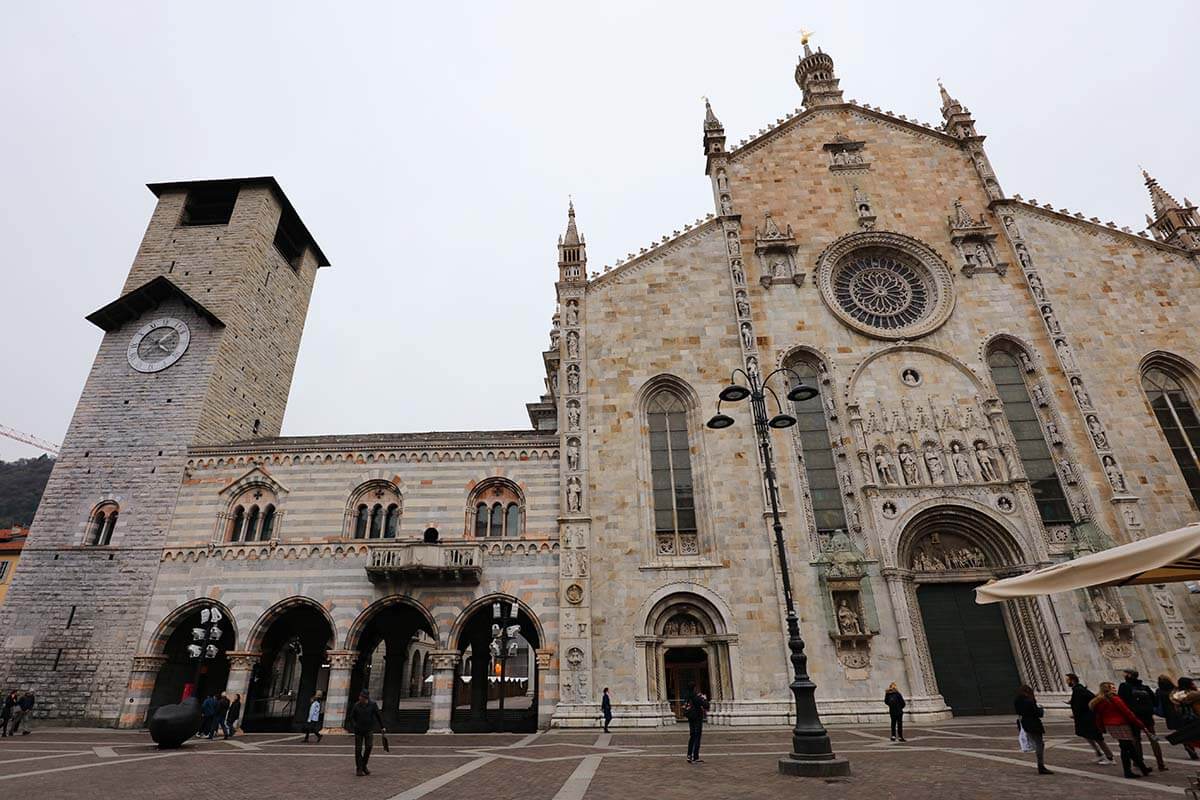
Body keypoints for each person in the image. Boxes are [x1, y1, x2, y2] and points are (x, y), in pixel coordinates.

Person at [1092, 681, 1152, 779]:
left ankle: (1143, 768)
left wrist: (1101, 727)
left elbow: (1099, 716)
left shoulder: (1100, 701)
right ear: (1108, 689)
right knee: (1126, 748)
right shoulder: (1115, 699)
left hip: (1111, 726)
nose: (1115, 689)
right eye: (1112, 687)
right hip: (1120, 725)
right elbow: (1127, 712)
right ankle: (1127, 771)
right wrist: (1140, 724)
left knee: (1129, 747)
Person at [1119, 669, 1166, 771]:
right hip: (1147, 717)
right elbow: (1155, 702)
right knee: (1153, 739)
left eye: (1125, 674)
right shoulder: (1145, 687)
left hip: (1134, 717)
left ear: (1129, 675)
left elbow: (1121, 702)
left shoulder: (1124, 686)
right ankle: (1160, 763)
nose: (1123, 675)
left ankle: (1138, 762)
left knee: (1136, 740)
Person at [1065, 674, 1114, 765]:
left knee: (1097, 738)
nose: (1066, 682)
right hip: (1084, 718)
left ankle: (1110, 757)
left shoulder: (1078, 690)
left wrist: (1076, 713)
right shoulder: (1078, 689)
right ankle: (1099, 754)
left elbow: (1086, 701)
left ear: (1072, 680)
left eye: (1068, 680)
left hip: (1087, 718)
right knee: (1087, 735)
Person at [1156, 675, 1198, 760]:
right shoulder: (1176, 691)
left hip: (1173, 715)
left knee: (1183, 733)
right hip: (1185, 715)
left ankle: (1188, 746)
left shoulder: (1160, 692)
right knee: (1189, 732)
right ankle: (1190, 747)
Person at [1014, 685, 1052, 775]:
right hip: (1033, 723)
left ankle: (1040, 765)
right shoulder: (1029, 701)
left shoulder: (1017, 701)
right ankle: (1041, 766)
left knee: (1035, 742)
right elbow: (1037, 713)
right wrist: (1041, 710)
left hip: (1024, 723)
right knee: (1039, 744)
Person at [348, 690, 385, 777]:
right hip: (358, 731)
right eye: (360, 697)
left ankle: (364, 765)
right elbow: (352, 717)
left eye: (361, 697)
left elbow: (378, 715)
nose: (360, 698)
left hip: (369, 729)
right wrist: (355, 726)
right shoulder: (356, 705)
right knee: (358, 749)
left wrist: (382, 727)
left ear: (366, 698)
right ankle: (359, 768)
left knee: (369, 746)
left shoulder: (372, 705)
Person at [683, 683, 709, 764]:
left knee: (692, 736)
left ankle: (689, 756)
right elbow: (706, 705)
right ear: (694, 688)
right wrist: (704, 698)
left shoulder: (687, 696)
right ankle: (695, 757)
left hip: (691, 718)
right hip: (697, 718)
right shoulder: (696, 697)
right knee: (697, 737)